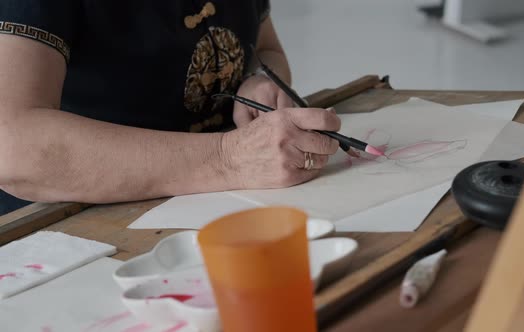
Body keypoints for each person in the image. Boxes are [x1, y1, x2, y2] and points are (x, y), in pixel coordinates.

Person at [0, 1, 342, 215]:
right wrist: (229, 158)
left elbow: (266, 50)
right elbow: (13, 147)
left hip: (221, 203)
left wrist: (256, 79)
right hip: (77, 227)